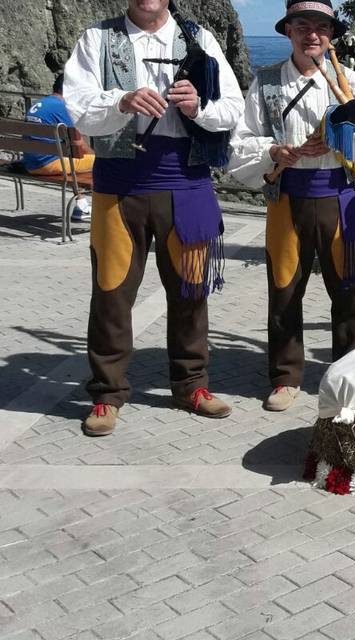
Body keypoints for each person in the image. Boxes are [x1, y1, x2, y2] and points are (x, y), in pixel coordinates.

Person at [64, 0, 245, 436]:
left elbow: (234, 108)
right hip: (119, 184)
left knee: (190, 289)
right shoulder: (96, 38)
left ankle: (192, 386)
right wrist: (121, 100)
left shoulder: (198, 37)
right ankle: (107, 394)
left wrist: (198, 107)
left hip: (185, 178)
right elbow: (78, 104)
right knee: (111, 291)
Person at [229, 0, 355, 412]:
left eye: (321, 27)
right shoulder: (265, 83)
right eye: (302, 25)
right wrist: (273, 152)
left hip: (337, 194)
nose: (312, 34)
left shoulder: (349, 80)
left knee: (348, 291)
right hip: (287, 199)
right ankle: (285, 376)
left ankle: (350, 374)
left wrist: (339, 141)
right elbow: (239, 143)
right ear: (288, 32)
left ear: (331, 35)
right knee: (284, 289)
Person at [23, 74, 96, 222]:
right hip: (48, 165)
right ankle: (104, 206)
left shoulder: (39, 104)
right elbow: (79, 144)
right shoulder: (63, 107)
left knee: (74, 160)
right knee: (103, 161)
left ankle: (81, 204)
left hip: (30, 164)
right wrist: (95, 156)